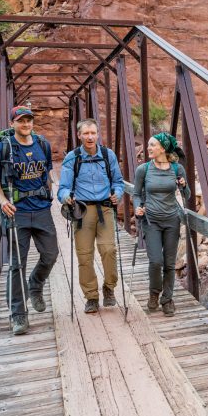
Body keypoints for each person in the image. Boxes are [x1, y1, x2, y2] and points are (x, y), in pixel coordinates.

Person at [0, 105, 58, 336]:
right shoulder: (2, 148)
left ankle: (36, 284)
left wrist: (56, 197)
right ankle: (18, 315)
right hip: (17, 212)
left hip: (42, 210)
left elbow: (47, 174)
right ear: (12, 124)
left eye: (29, 120)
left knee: (50, 255)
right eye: (21, 121)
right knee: (17, 264)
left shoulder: (43, 145)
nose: (26, 124)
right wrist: (2, 201)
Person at [57, 118, 124, 314]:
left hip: (105, 208)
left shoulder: (107, 154)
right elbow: (63, 188)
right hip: (83, 211)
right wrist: (66, 197)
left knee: (109, 250)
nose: (90, 137)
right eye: (85, 133)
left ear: (97, 134)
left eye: (93, 133)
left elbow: (119, 182)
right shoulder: (72, 157)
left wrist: (117, 194)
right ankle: (91, 297)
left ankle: (109, 287)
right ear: (79, 136)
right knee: (84, 256)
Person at [133, 132, 190, 317]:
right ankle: (154, 293)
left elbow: (187, 195)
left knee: (169, 264)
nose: (148, 148)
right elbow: (136, 194)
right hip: (151, 221)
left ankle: (167, 299)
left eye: (152, 145)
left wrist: (183, 184)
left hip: (172, 221)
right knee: (156, 261)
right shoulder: (143, 170)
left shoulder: (176, 168)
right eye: (148, 145)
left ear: (163, 148)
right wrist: (137, 208)